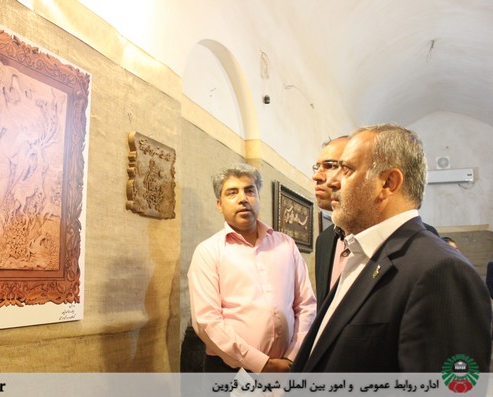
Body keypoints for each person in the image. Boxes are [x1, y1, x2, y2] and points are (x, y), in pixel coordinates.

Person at [291, 123, 491, 372]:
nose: (331, 182)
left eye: (346, 170)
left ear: (388, 183)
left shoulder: (442, 271)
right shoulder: (362, 253)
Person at [188, 163, 316, 373]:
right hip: (231, 370)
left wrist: (293, 356)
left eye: (249, 191)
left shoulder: (286, 245)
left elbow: (306, 304)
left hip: (289, 365)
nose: (243, 199)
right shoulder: (208, 251)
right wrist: (262, 364)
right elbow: (207, 320)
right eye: (232, 193)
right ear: (219, 204)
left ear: (258, 197)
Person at [312, 136, 349, 309]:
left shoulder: (410, 244)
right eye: (317, 167)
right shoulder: (324, 241)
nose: (316, 176)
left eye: (330, 166)